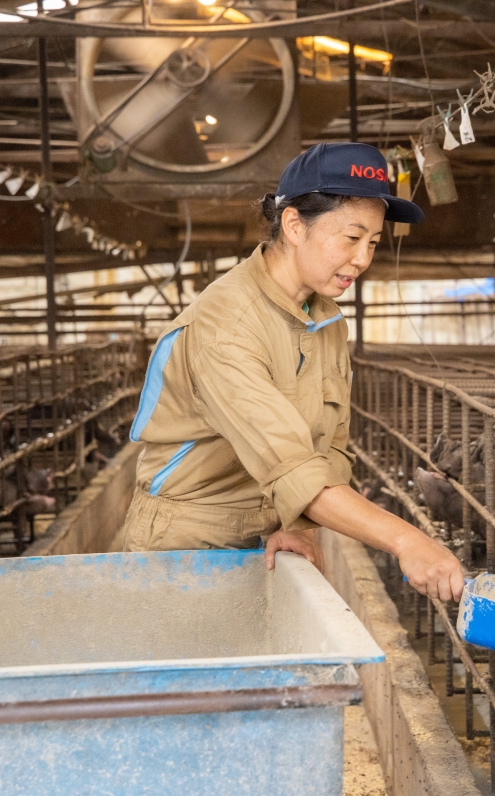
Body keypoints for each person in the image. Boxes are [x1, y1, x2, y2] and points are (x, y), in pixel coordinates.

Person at [122, 142, 466, 601]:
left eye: (373, 243)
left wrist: (297, 524)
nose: (363, 259)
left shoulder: (324, 320)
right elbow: (294, 468)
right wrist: (407, 539)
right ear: (294, 224)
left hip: (263, 535)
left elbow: (331, 447)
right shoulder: (229, 322)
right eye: (351, 237)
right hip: (185, 540)